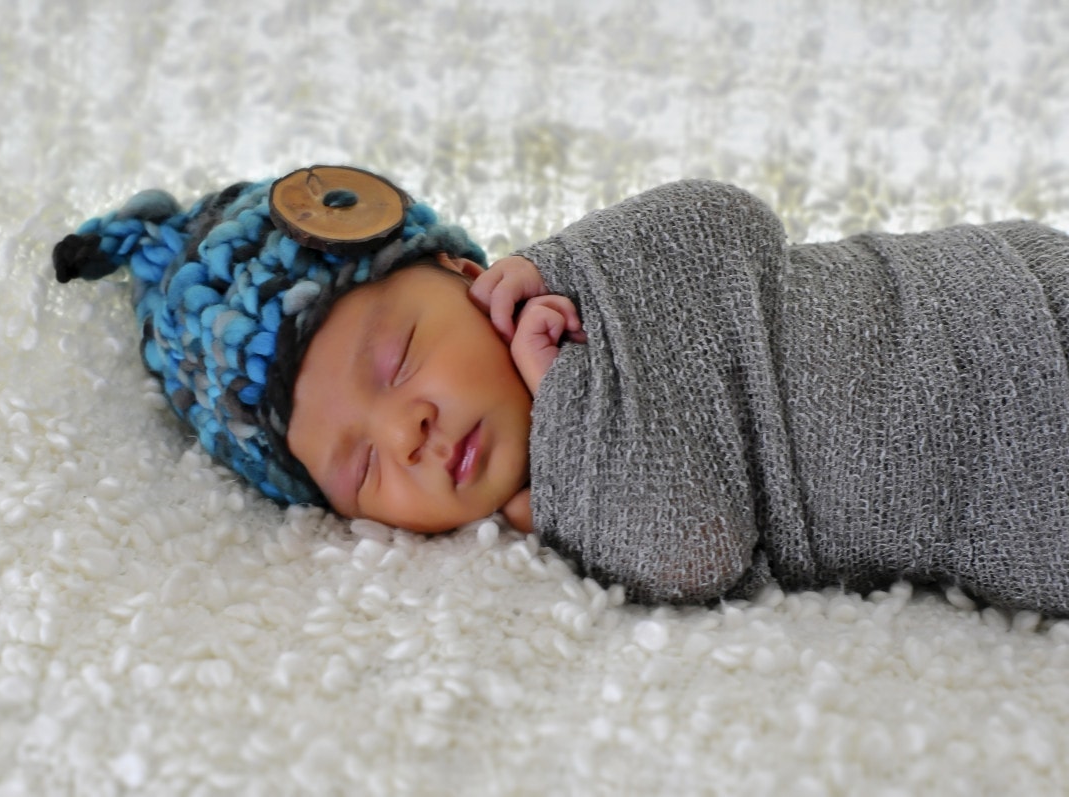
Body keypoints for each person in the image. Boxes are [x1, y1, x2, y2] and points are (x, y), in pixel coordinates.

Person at [54, 167, 1069, 617]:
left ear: (464, 275)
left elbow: (730, 220)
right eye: (360, 467)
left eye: (396, 356)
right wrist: (572, 430)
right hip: (1024, 494)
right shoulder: (562, 514)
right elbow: (693, 542)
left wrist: (566, 262)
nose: (404, 430)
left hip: (997, 299)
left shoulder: (585, 282)